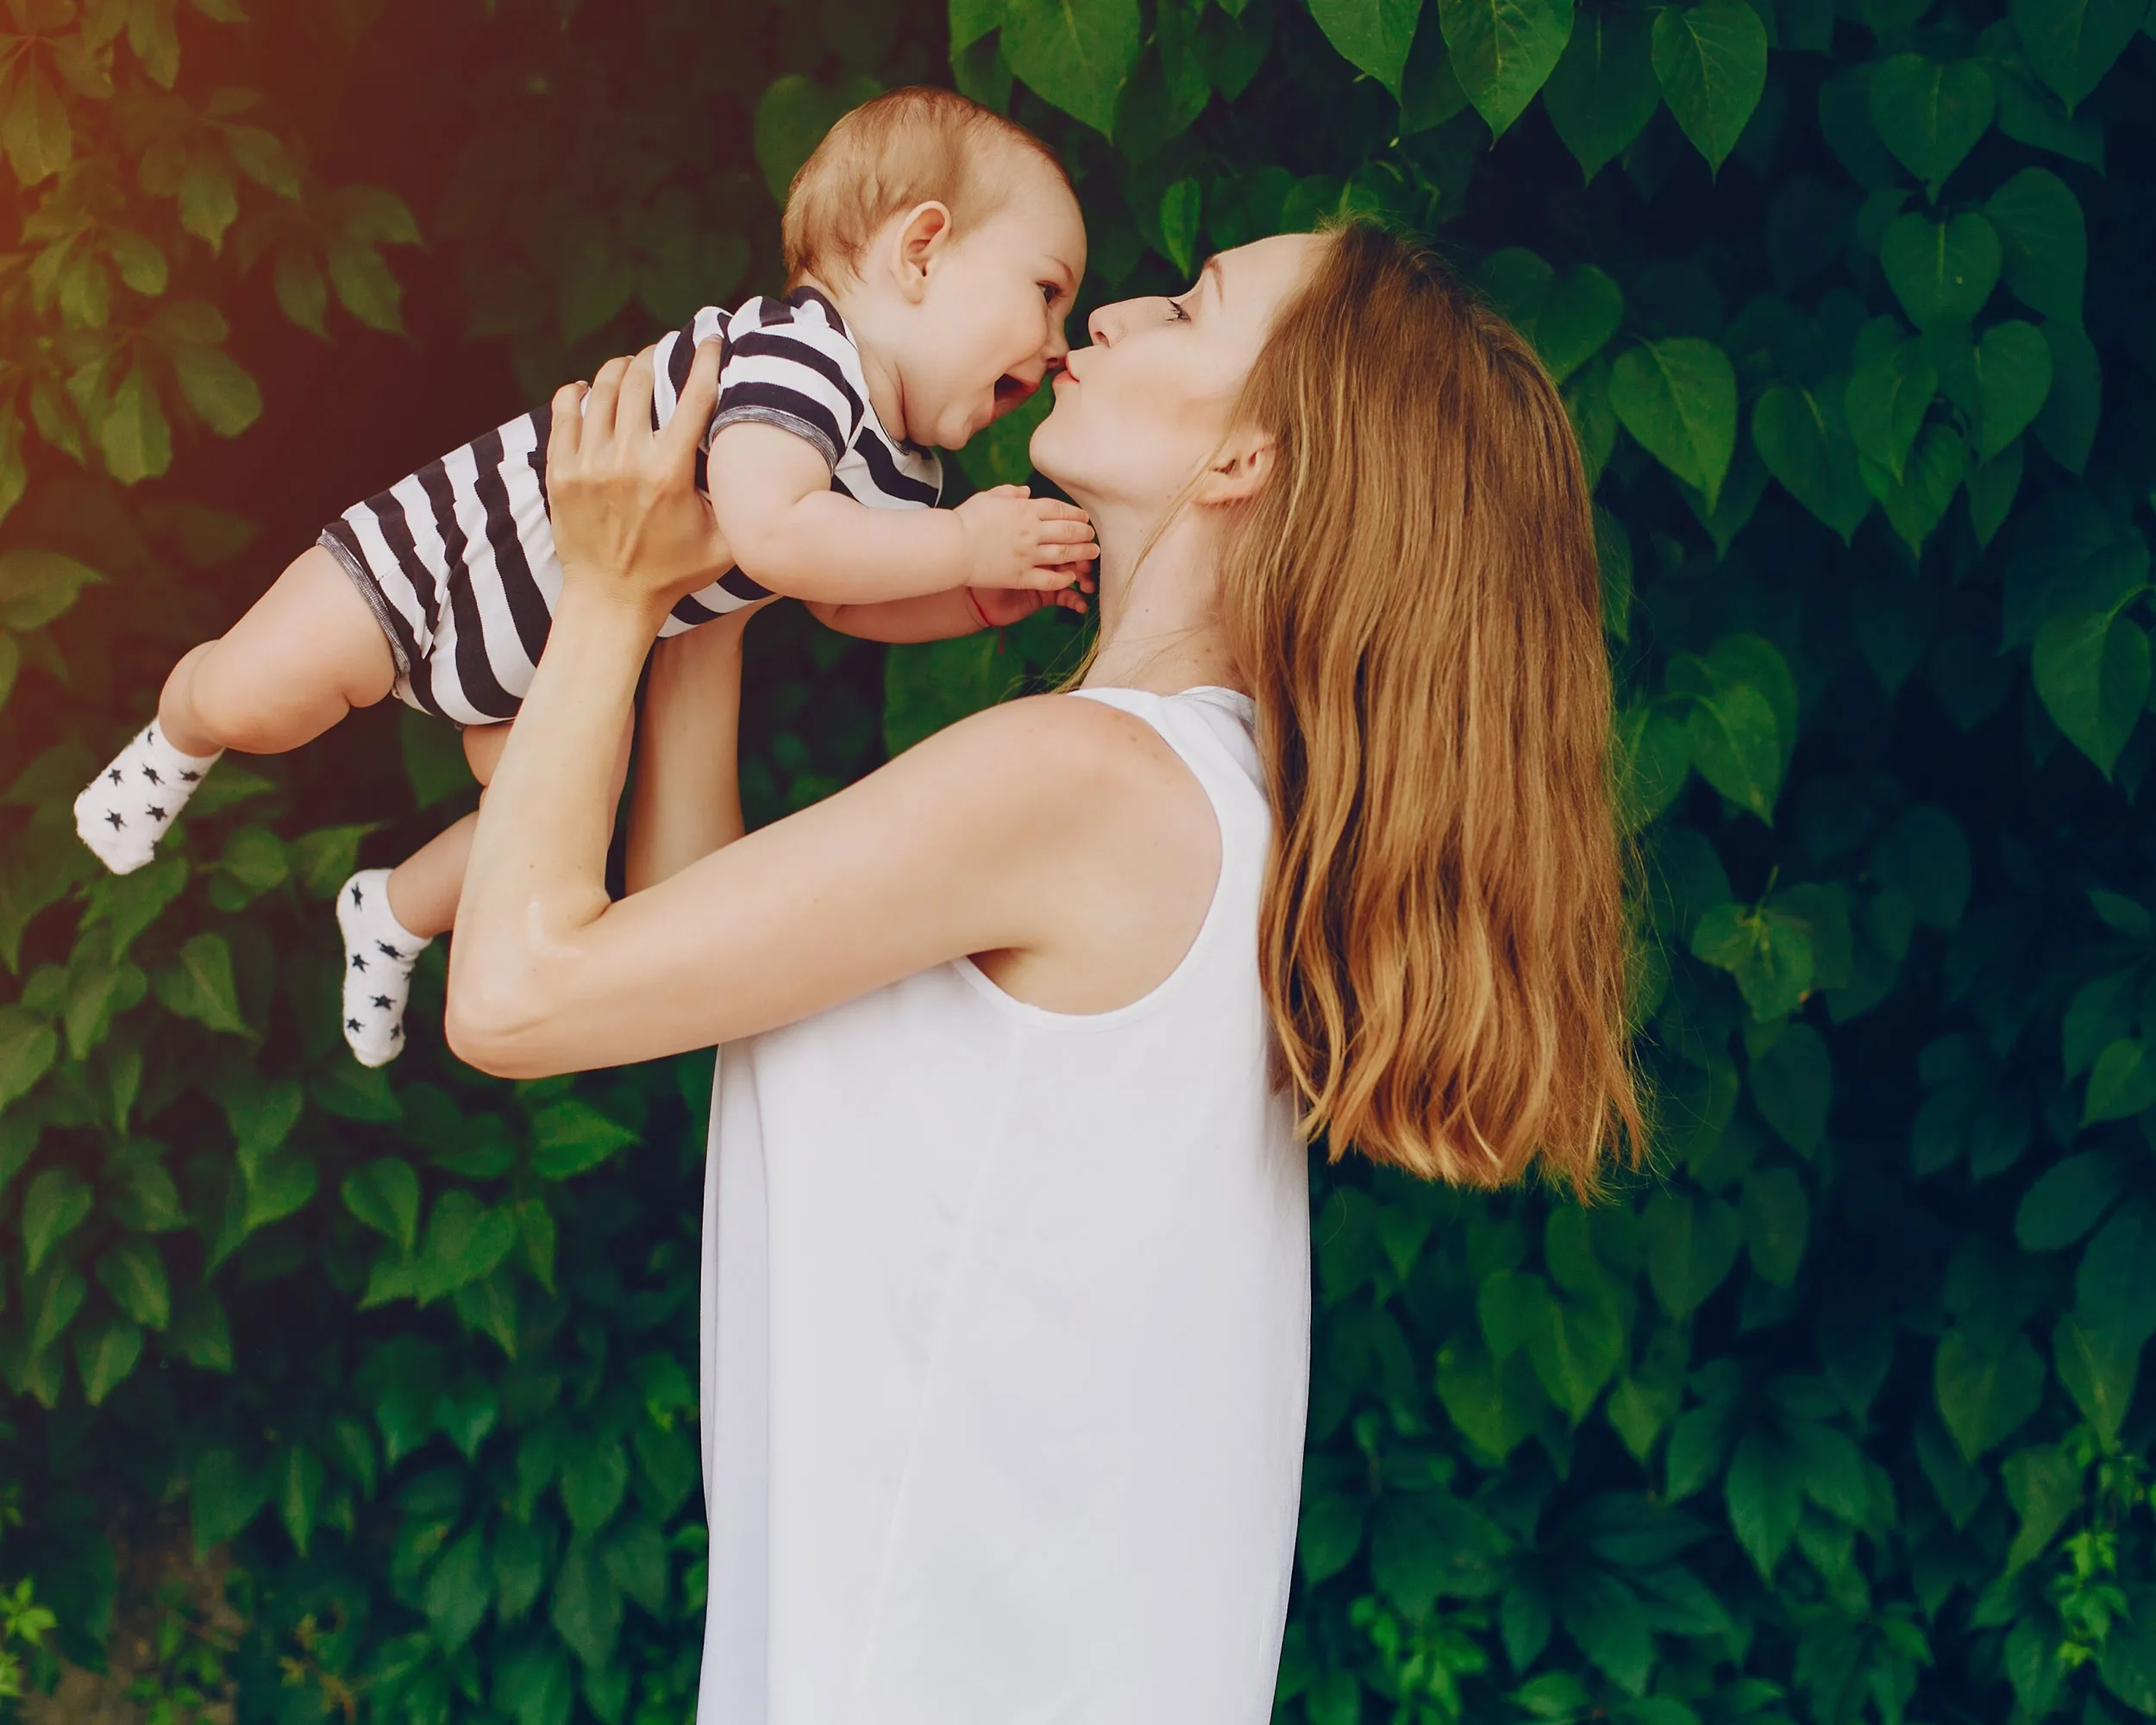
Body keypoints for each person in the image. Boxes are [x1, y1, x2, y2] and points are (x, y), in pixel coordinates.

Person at [447, 221, 1644, 1722]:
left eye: (1191, 308)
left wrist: (608, 596)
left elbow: (517, 996)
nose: (1119, 313)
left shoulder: (1088, 785)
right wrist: (710, 586)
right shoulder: (1209, 804)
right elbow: (693, 946)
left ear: (1247, 459)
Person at [72, 87, 1095, 1066]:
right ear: (921, 249)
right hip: (437, 562)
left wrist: (969, 599)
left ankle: (390, 912)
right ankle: (178, 732)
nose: (1056, 349)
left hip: (555, 662)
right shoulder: (801, 357)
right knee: (254, 698)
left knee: (553, 818)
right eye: (1046, 291)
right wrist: (964, 547)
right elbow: (776, 532)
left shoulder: (907, 473)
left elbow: (836, 596)